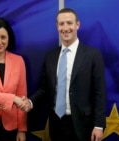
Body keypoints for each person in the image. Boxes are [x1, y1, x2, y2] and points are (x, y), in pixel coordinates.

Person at [23, 8, 106, 141]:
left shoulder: (92, 55)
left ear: (77, 25)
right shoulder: (50, 56)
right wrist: (30, 102)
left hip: (83, 125)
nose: (65, 28)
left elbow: (99, 93)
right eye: (61, 24)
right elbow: (45, 89)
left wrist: (99, 125)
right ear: (57, 26)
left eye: (69, 23)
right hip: (57, 123)